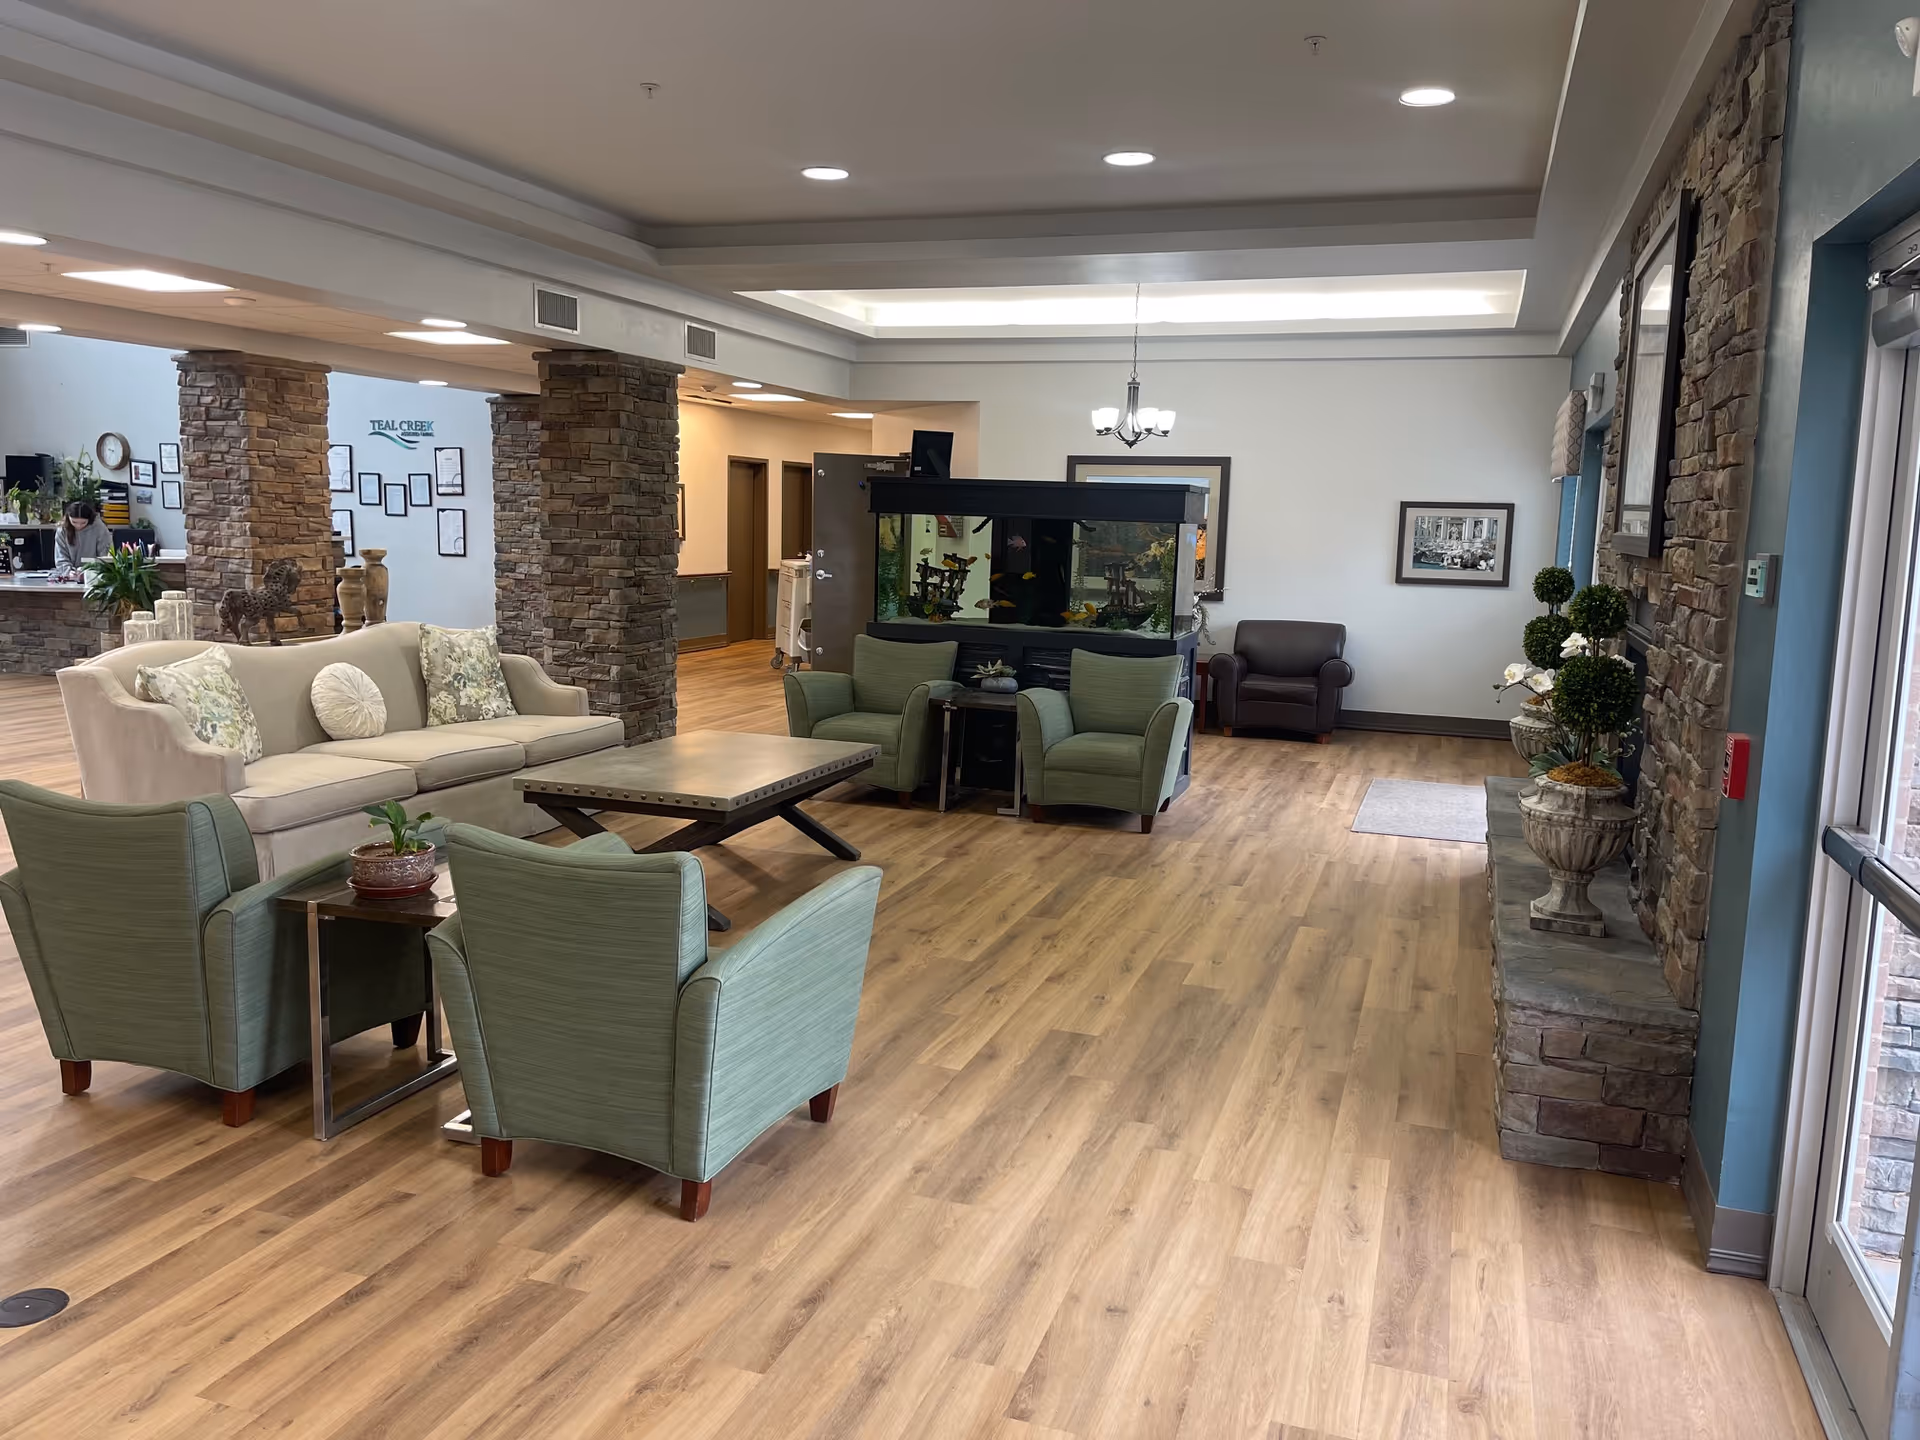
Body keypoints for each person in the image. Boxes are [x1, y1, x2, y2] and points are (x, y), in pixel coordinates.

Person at [54, 501, 111, 572]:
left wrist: (91, 570)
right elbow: (61, 557)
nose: (79, 526)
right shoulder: (62, 530)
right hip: (70, 575)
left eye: (83, 523)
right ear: (68, 518)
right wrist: (68, 572)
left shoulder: (99, 528)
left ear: (89, 519)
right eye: (74, 522)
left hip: (94, 573)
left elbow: (105, 557)